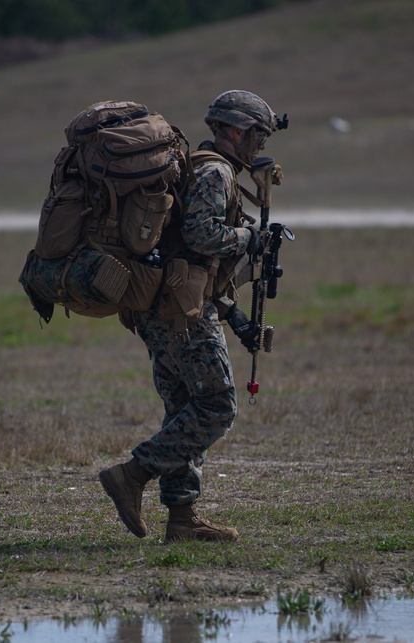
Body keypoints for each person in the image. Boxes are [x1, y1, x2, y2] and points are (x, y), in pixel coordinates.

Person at [98, 90, 284, 543]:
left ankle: (182, 520)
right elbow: (201, 237)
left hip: (166, 309)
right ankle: (132, 475)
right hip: (179, 316)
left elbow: (188, 260)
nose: (259, 147)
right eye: (257, 137)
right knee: (217, 406)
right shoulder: (217, 171)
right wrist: (249, 238)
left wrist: (235, 318)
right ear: (236, 131)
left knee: (183, 409)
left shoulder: (200, 167)